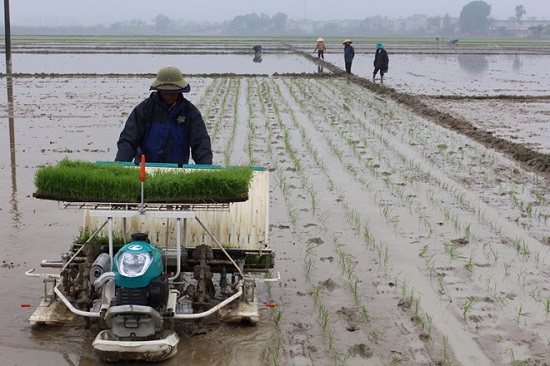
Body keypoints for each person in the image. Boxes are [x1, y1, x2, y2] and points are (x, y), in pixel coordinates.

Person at [115, 65, 213, 166]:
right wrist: (119, 168)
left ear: (179, 91)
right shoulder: (144, 110)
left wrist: (206, 169)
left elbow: (201, 144)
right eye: (166, 93)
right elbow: (128, 140)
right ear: (159, 90)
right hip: (145, 169)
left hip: (176, 171)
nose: (169, 96)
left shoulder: (190, 112)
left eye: (173, 93)